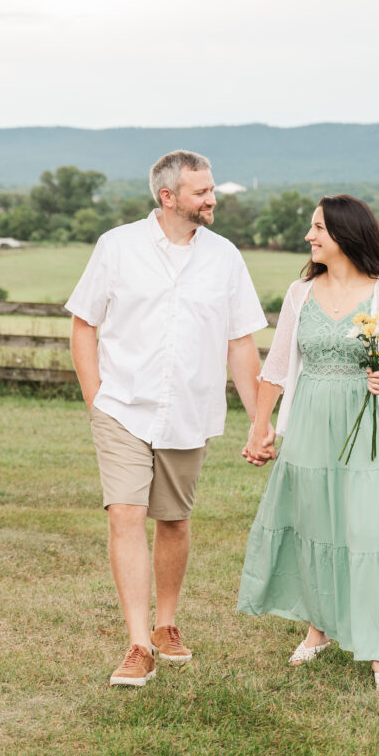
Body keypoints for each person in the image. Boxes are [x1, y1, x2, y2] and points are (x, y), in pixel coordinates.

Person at [67, 150, 270, 688]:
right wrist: (96, 401)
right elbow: (83, 324)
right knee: (125, 515)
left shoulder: (225, 257)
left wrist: (259, 419)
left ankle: (166, 625)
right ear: (168, 197)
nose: (212, 199)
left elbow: (241, 340)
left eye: (210, 190)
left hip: (189, 410)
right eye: (202, 191)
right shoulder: (117, 246)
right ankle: (137, 644)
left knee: (174, 521)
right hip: (122, 408)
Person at [238, 195, 379, 692]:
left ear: (345, 234)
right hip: (311, 424)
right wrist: (261, 425)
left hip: (369, 432)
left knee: (371, 533)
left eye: (317, 228)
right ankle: (318, 630)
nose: (309, 237)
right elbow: (275, 367)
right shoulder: (300, 293)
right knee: (315, 526)